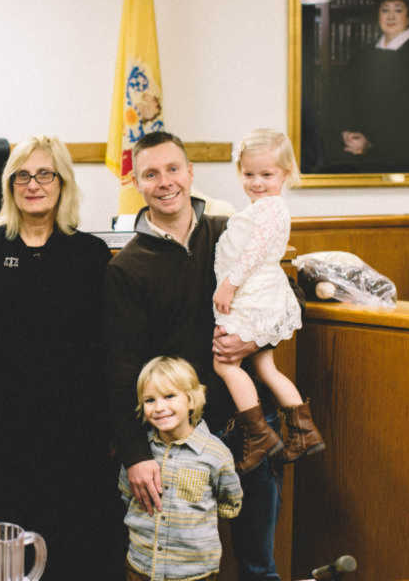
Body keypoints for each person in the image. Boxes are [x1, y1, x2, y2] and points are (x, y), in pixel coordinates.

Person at [105, 130, 304, 580]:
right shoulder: (126, 267)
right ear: (137, 183)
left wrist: (253, 340)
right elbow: (120, 368)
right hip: (178, 443)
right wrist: (136, 454)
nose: (165, 182)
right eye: (151, 174)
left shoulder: (230, 231)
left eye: (174, 169)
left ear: (191, 173)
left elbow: (292, 298)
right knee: (181, 569)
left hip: (251, 427)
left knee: (258, 562)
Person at [0, 135, 115, 579]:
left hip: (73, 435)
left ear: (63, 183)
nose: (33, 184)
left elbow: (104, 347)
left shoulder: (91, 255)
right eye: (22, 175)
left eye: (44, 174)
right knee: (3, 552)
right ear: (9, 185)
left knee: (73, 549)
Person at [212, 129, 324, 474]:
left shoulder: (270, 210)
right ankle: (303, 432)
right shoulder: (263, 207)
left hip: (252, 294)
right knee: (264, 367)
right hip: (259, 293)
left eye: (267, 174)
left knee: (225, 364)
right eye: (249, 174)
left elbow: (253, 252)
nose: (257, 182)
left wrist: (228, 285)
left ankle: (259, 435)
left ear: (285, 174)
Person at [120, 357, 242, 581]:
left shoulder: (216, 454)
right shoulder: (140, 455)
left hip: (193, 573)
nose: (159, 408)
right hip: (141, 567)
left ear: (191, 400)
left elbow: (229, 503)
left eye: (169, 396)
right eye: (149, 400)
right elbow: (128, 494)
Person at [332, 0, 409, 171]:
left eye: (398, 10)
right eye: (385, 10)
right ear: (378, 15)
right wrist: (347, 132)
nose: (391, 16)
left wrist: (371, 143)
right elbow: (344, 98)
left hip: (405, 158)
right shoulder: (364, 55)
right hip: (357, 154)